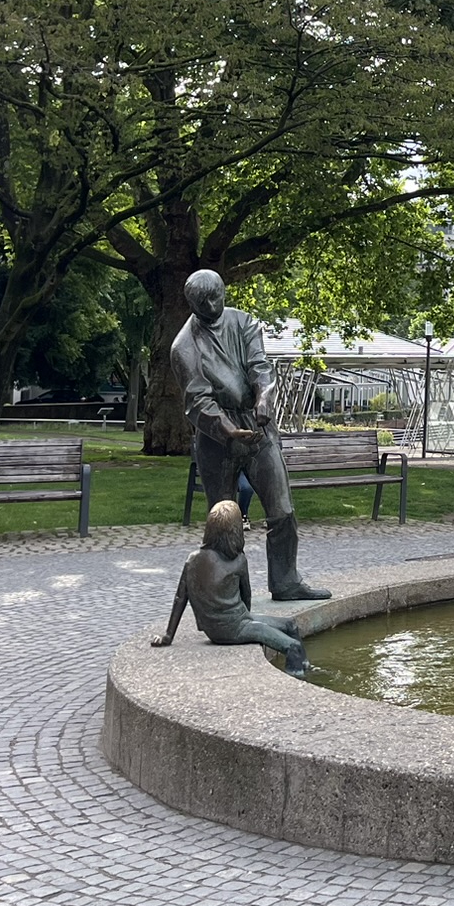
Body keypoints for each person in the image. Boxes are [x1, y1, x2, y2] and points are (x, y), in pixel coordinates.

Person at [171, 269, 329, 601]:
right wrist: (227, 429)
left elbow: (261, 366)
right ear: (191, 303)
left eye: (216, 296)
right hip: (217, 437)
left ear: (224, 292)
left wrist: (264, 400)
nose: (212, 305)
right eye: (203, 301)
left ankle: (286, 582)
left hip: (258, 428)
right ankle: (227, 593)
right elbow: (197, 399)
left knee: (282, 510)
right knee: (223, 522)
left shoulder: (243, 322)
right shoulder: (183, 346)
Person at [152, 501, 310, 676]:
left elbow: (180, 598)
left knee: (290, 624)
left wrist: (168, 635)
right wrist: (249, 625)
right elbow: (246, 597)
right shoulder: (238, 560)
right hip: (234, 628)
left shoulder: (193, 560)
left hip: (216, 628)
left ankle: (304, 665)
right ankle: (298, 677)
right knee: (292, 646)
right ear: (236, 532)